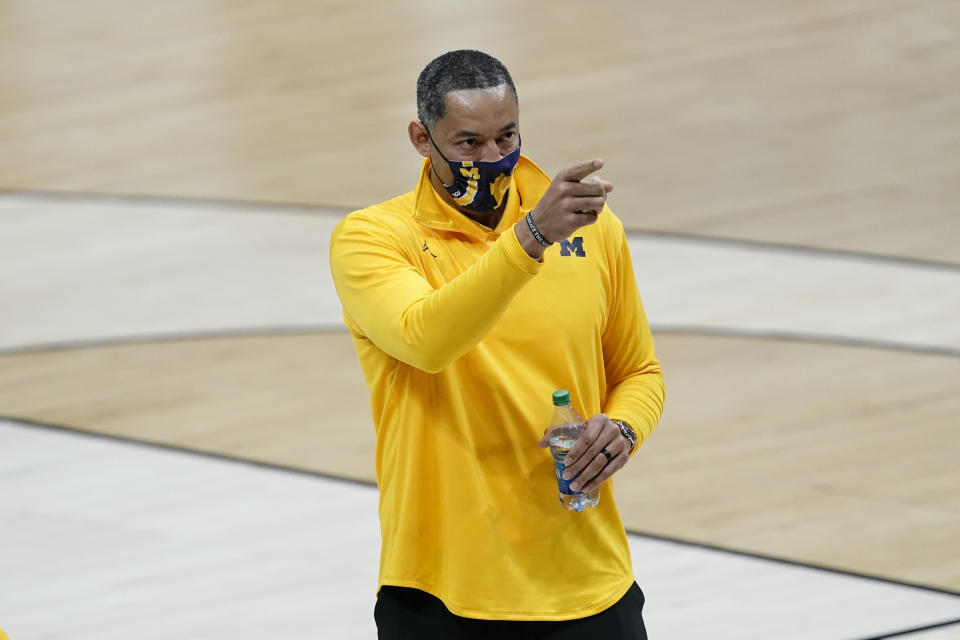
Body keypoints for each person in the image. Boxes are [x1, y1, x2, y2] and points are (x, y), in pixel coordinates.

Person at [329, 49, 665, 639]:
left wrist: (624, 428)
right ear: (420, 137)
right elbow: (426, 338)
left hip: (585, 580)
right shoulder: (374, 239)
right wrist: (531, 238)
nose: (491, 158)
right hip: (441, 592)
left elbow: (639, 371)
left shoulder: (591, 229)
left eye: (506, 136)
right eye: (467, 144)